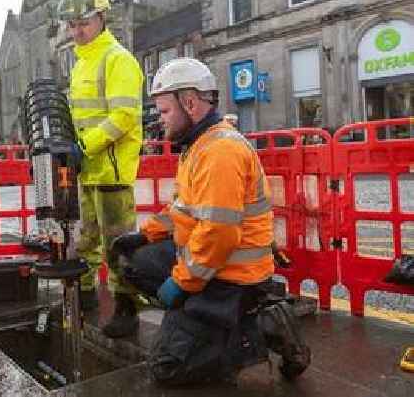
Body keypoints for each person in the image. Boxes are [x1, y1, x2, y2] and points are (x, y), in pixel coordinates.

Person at [110, 58, 309, 384]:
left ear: (189, 103)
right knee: (132, 260)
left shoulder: (219, 153)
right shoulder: (199, 146)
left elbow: (218, 235)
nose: (160, 121)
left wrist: (181, 282)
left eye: (164, 111)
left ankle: (263, 326)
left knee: (167, 367)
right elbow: (183, 211)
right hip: (211, 263)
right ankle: (199, 322)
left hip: (232, 276)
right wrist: (144, 236)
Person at [57, 0, 144, 338]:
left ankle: (126, 308)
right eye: (72, 24)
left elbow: (124, 116)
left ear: (102, 18)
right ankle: (89, 294)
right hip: (89, 169)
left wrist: (84, 147)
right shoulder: (81, 64)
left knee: (118, 243)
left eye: (84, 23)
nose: (77, 31)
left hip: (111, 169)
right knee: (88, 239)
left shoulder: (118, 59)